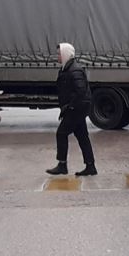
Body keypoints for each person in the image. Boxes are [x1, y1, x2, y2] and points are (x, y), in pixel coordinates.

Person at [47, 43, 97, 177]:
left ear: (65, 54)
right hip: (76, 109)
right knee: (82, 137)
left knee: (61, 133)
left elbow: (81, 91)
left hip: (76, 110)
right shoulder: (66, 68)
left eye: (59, 53)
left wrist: (70, 107)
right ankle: (90, 166)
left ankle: (62, 165)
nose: (57, 56)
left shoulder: (74, 70)